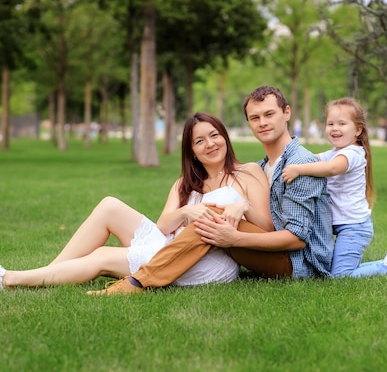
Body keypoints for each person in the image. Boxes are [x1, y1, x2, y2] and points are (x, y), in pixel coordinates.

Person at [0, 112, 273, 290]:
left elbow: (268, 226)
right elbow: (165, 225)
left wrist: (242, 206)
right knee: (110, 204)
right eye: (199, 141)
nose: (210, 144)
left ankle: (11, 280)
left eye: (214, 135)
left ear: (225, 137)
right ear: (191, 150)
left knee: (101, 256)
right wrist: (187, 210)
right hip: (171, 244)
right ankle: (49, 272)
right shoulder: (185, 183)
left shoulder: (247, 174)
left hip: (209, 261)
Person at [87, 85, 333, 295]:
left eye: (269, 114)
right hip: (269, 253)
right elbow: (267, 224)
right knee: (214, 213)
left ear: (287, 113)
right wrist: (240, 210)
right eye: (255, 118)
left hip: (300, 265)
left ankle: (138, 282)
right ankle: (140, 277)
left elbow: (298, 240)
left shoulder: (299, 163)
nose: (263, 123)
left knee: (212, 214)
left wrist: (235, 238)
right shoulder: (264, 165)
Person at [281, 97, 387, 277]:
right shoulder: (334, 152)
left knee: (340, 275)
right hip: (342, 225)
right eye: (330, 123)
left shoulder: (353, 153)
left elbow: (332, 169)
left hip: (354, 227)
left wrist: (298, 170)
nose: (334, 128)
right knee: (332, 269)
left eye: (342, 123)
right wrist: (290, 158)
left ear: (357, 130)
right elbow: (313, 158)